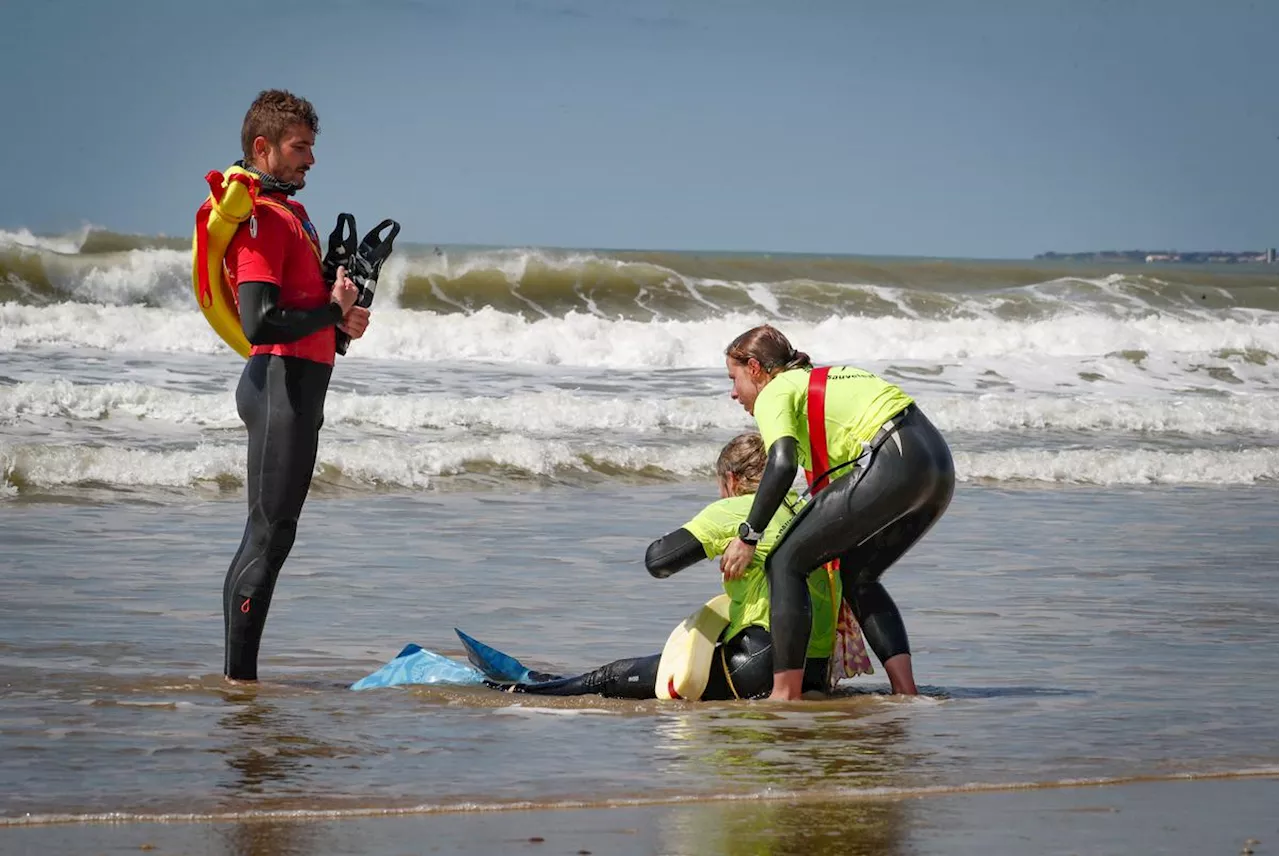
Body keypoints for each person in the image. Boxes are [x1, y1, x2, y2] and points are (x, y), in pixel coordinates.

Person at [482, 433, 842, 699]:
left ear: (731, 480)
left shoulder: (738, 511)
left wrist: (707, 529)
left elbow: (659, 561)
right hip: (815, 668)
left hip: (759, 660)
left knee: (610, 678)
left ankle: (515, 692)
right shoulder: (806, 512)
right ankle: (545, 679)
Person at [220, 89, 370, 682]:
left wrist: (340, 323)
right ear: (264, 148)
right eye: (299, 148)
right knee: (270, 535)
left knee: (268, 534)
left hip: (297, 380)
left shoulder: (292, 213)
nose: (310, 160)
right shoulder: (261, 222)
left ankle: (238, 682)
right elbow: (260, 322)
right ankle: (240, 686)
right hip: (280, 384)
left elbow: (307, 314)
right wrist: (330, 315)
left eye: (312, 147)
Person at [719, 324, 955, 700]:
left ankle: (785, 694)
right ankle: (906, 693)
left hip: (894, 456)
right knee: (858, 573)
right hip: (937, 465)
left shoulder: (775, 390)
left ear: (755, 368)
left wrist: (749, 535)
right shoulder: (819, 382)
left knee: (783, 562)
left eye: (734, 379)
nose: (734, 393)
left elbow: (781, 465)